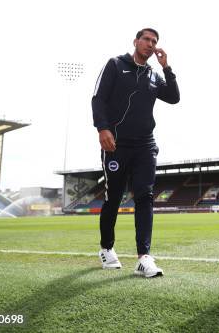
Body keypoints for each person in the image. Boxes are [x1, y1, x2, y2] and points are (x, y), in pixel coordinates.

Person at [91, 28, 180, 278]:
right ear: (136, 41)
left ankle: (144, 257)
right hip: (116, 144)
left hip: (145, 144)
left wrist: (166, 67)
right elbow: (98, 99)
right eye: (146, 39)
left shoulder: (153, 74)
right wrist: (102, 129)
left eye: (154, 41)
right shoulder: (115, 64)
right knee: (114, 198)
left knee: (145, 195)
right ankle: (106, 248)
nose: (150, 44)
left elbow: (173, 97)